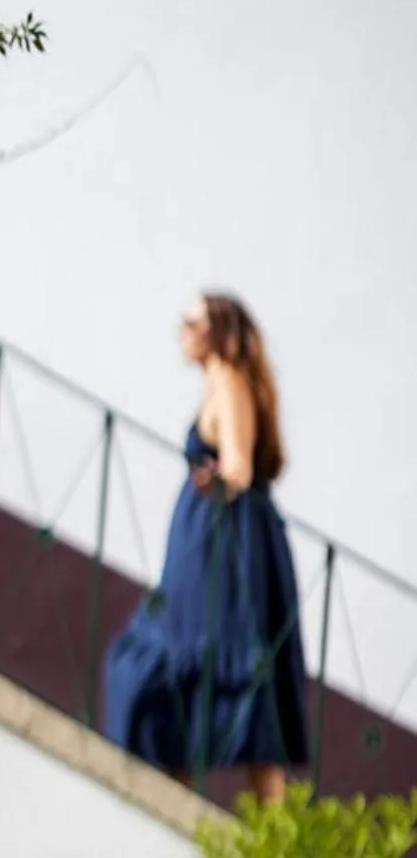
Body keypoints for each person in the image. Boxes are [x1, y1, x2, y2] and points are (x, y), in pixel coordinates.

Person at [104, 292, 307, 802]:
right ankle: (176, 801)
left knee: (231, 669)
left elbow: (238, 466)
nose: (183, 331)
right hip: (210, 546)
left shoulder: (230, 381)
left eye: (191, 322)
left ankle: (267, 829)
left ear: (217, 331)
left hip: (228, 551)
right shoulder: (219, 384)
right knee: (179, 670)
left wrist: (213, 479)